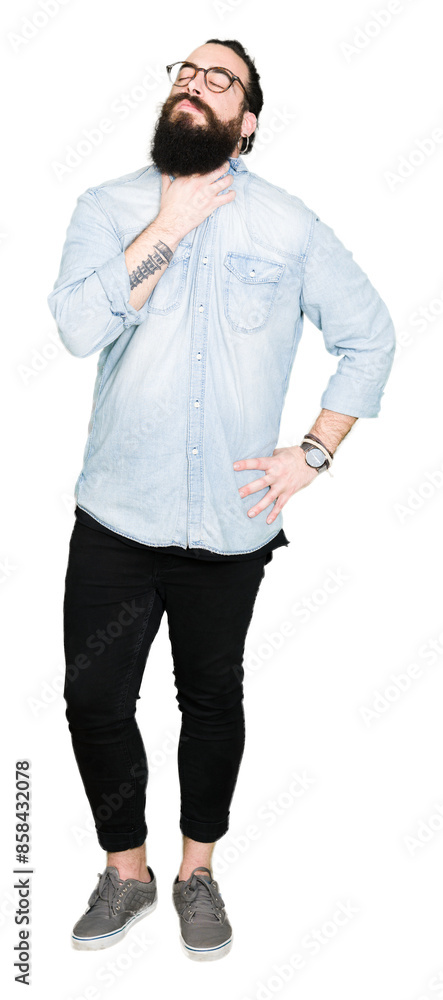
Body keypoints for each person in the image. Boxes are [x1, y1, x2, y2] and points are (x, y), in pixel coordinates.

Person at [48, 37, 396, 961]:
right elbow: (76, 328)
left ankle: (196, 873)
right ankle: (127, 873)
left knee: (209, 700)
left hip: (229, 528)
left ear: (246, 123)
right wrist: (167, 225)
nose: (194, 85)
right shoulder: (109, 209)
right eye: (185, 74)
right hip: (117, 517)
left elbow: (369, 338)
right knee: (94, 699)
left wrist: (314, 452)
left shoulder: (288, 226)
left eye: (219, 79)